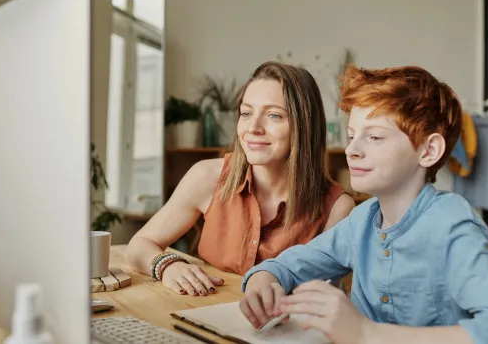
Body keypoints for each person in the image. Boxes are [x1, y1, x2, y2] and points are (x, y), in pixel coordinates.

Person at [239, 65, 488, 344]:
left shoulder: (452, 227)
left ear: (429, 150)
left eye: (375, 137)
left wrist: (367, 333)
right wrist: (262, 285)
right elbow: (287, 266)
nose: (352, 150)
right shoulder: (362, 220)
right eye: (352, 136)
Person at [124, 61, 355, 297]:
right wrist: (168, 266)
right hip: (197, 317)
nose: (253, 127)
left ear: (305, 126)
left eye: (274, 115)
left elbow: (322, 297)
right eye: (246, 113)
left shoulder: (337, 208)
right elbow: (138, 245)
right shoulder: (207, 176)